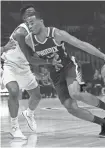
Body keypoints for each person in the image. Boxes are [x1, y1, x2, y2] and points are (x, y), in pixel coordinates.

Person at [24, 11, 105, 138]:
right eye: (28, 24)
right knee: (71, 108)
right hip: (55, 75)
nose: (30, 26)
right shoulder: (29, 40)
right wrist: (37, 73)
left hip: (69, 67)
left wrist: (104, 57)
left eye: (32, 23)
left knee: (75, 93)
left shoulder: (56, 34)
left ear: (41, 21)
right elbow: (32, 59)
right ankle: (104, 123)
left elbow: (81, 45)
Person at [1, 5, 62, 139]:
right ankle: (14, 126)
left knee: (37, 96)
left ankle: (29, 113)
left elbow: (32, 55)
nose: (32, 15)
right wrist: (49, 62)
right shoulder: (20, 33)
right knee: (14, 91)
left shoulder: (36, 31)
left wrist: (40, 69)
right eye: (28, 14)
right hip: (10, 65)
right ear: (24, 18)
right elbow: (30, 57)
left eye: (34, 13)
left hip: (24, 67)